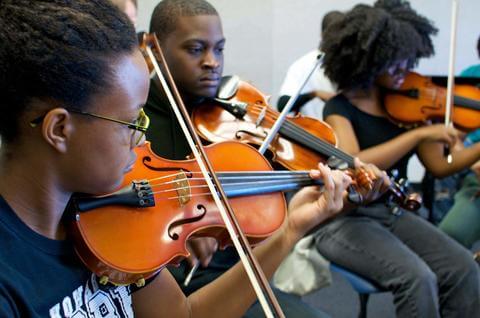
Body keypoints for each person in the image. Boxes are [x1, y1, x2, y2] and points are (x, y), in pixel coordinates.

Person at [0, 0, 356, 317]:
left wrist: (289, 231)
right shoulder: (10, 282)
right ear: (60, 129)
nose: (141, 137)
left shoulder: (107, 218)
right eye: (130, 121)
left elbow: (182, 313)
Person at [144, 1, 389, 317]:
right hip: (168, 285)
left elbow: (280, 220)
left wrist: (347, 196)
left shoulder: (232, 116)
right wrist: (165, 239)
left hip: (240, 273)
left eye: (219, 49)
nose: (212, 62)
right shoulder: (135, 120)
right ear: (155, 46)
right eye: (195, 50)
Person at [314, 1, 480, 317]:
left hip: (393, 212)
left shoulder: (411, 105)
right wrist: (417, 136)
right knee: (418, 279)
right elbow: (354, 161)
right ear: (371, 60)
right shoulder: (340, 107)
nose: (405, 69)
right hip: (347, 219)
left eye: (408, 60)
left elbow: (440, 166)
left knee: (463, 268)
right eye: (394, 62)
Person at [276, 11, 343, 118]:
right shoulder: (303, 66)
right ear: (322, 35)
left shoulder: (352, 64)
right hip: (312, 131)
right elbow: (282, 105)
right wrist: (314, 94)